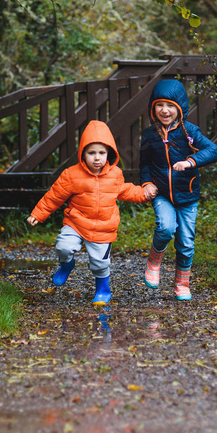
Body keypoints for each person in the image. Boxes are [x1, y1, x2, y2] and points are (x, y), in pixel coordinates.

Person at [27, 120, 157, 304]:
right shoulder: (71, 175)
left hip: (103, 227)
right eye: (92, 153)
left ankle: (103, 289)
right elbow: (54, 195)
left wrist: (145, 193)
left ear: (109, 153)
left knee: (100, 262)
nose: (97, 158)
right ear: (82, 154)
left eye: (102, 153)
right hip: (76, 222)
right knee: (63, 245)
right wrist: (38, 214)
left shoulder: (115, 174)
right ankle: (67, 264)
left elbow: (127, 190)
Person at [139, 79, 217, 300]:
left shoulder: (189, 132)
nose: (165, 111)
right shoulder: (149, 135)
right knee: (165, 227)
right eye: (160, 105)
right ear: (153, 108)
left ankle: (182, 283)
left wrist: (191, 161)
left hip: (188, 195)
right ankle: (154, 261)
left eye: (171, 106)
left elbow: (213, 150)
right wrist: (147, 184)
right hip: (163, 195)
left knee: (185, 242)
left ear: (179, 108)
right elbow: (145, 164)